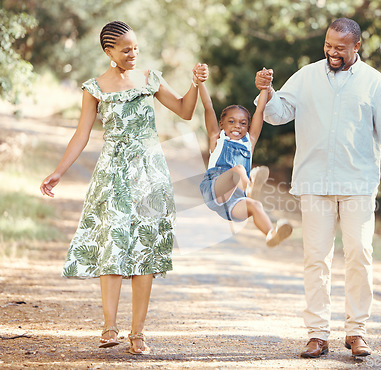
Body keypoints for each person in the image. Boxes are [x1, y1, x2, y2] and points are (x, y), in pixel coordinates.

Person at [40, 20, 208, 355]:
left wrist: (195, 83)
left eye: (135, 47)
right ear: (109, 52)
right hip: (113, 173)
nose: (133, 54)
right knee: (113, 245)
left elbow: (186, 112)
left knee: (144, 249)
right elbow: (82, 134)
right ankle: (109, 328)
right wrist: (59, 171)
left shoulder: (149, 79)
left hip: (150, 173)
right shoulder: (94, 88)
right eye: (126, 49)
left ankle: (138, 334)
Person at [255, 17, 381, 358]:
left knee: (360, 255)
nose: (331, 52)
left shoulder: (374, 83)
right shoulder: (307, 76)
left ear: (357, 46)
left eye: (340, 47)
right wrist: (266, 90)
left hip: (358, 183)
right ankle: (317, 335)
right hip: (314, 181)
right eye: (328, 44)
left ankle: (356, 332)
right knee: (316, 258)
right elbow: (276, 114)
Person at [198, 68, 293, 247]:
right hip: (215, 191)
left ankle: (271, 233)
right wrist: (200, 82)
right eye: (231, 122)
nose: (238, 126)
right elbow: (208, 106)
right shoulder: (217, 139)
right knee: (240, 170)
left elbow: (260, 111)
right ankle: (250, 188)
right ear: (221, 124)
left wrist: (265, 87)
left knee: (255, 206)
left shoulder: (249, 141)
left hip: (234, 202)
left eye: (243, 123)